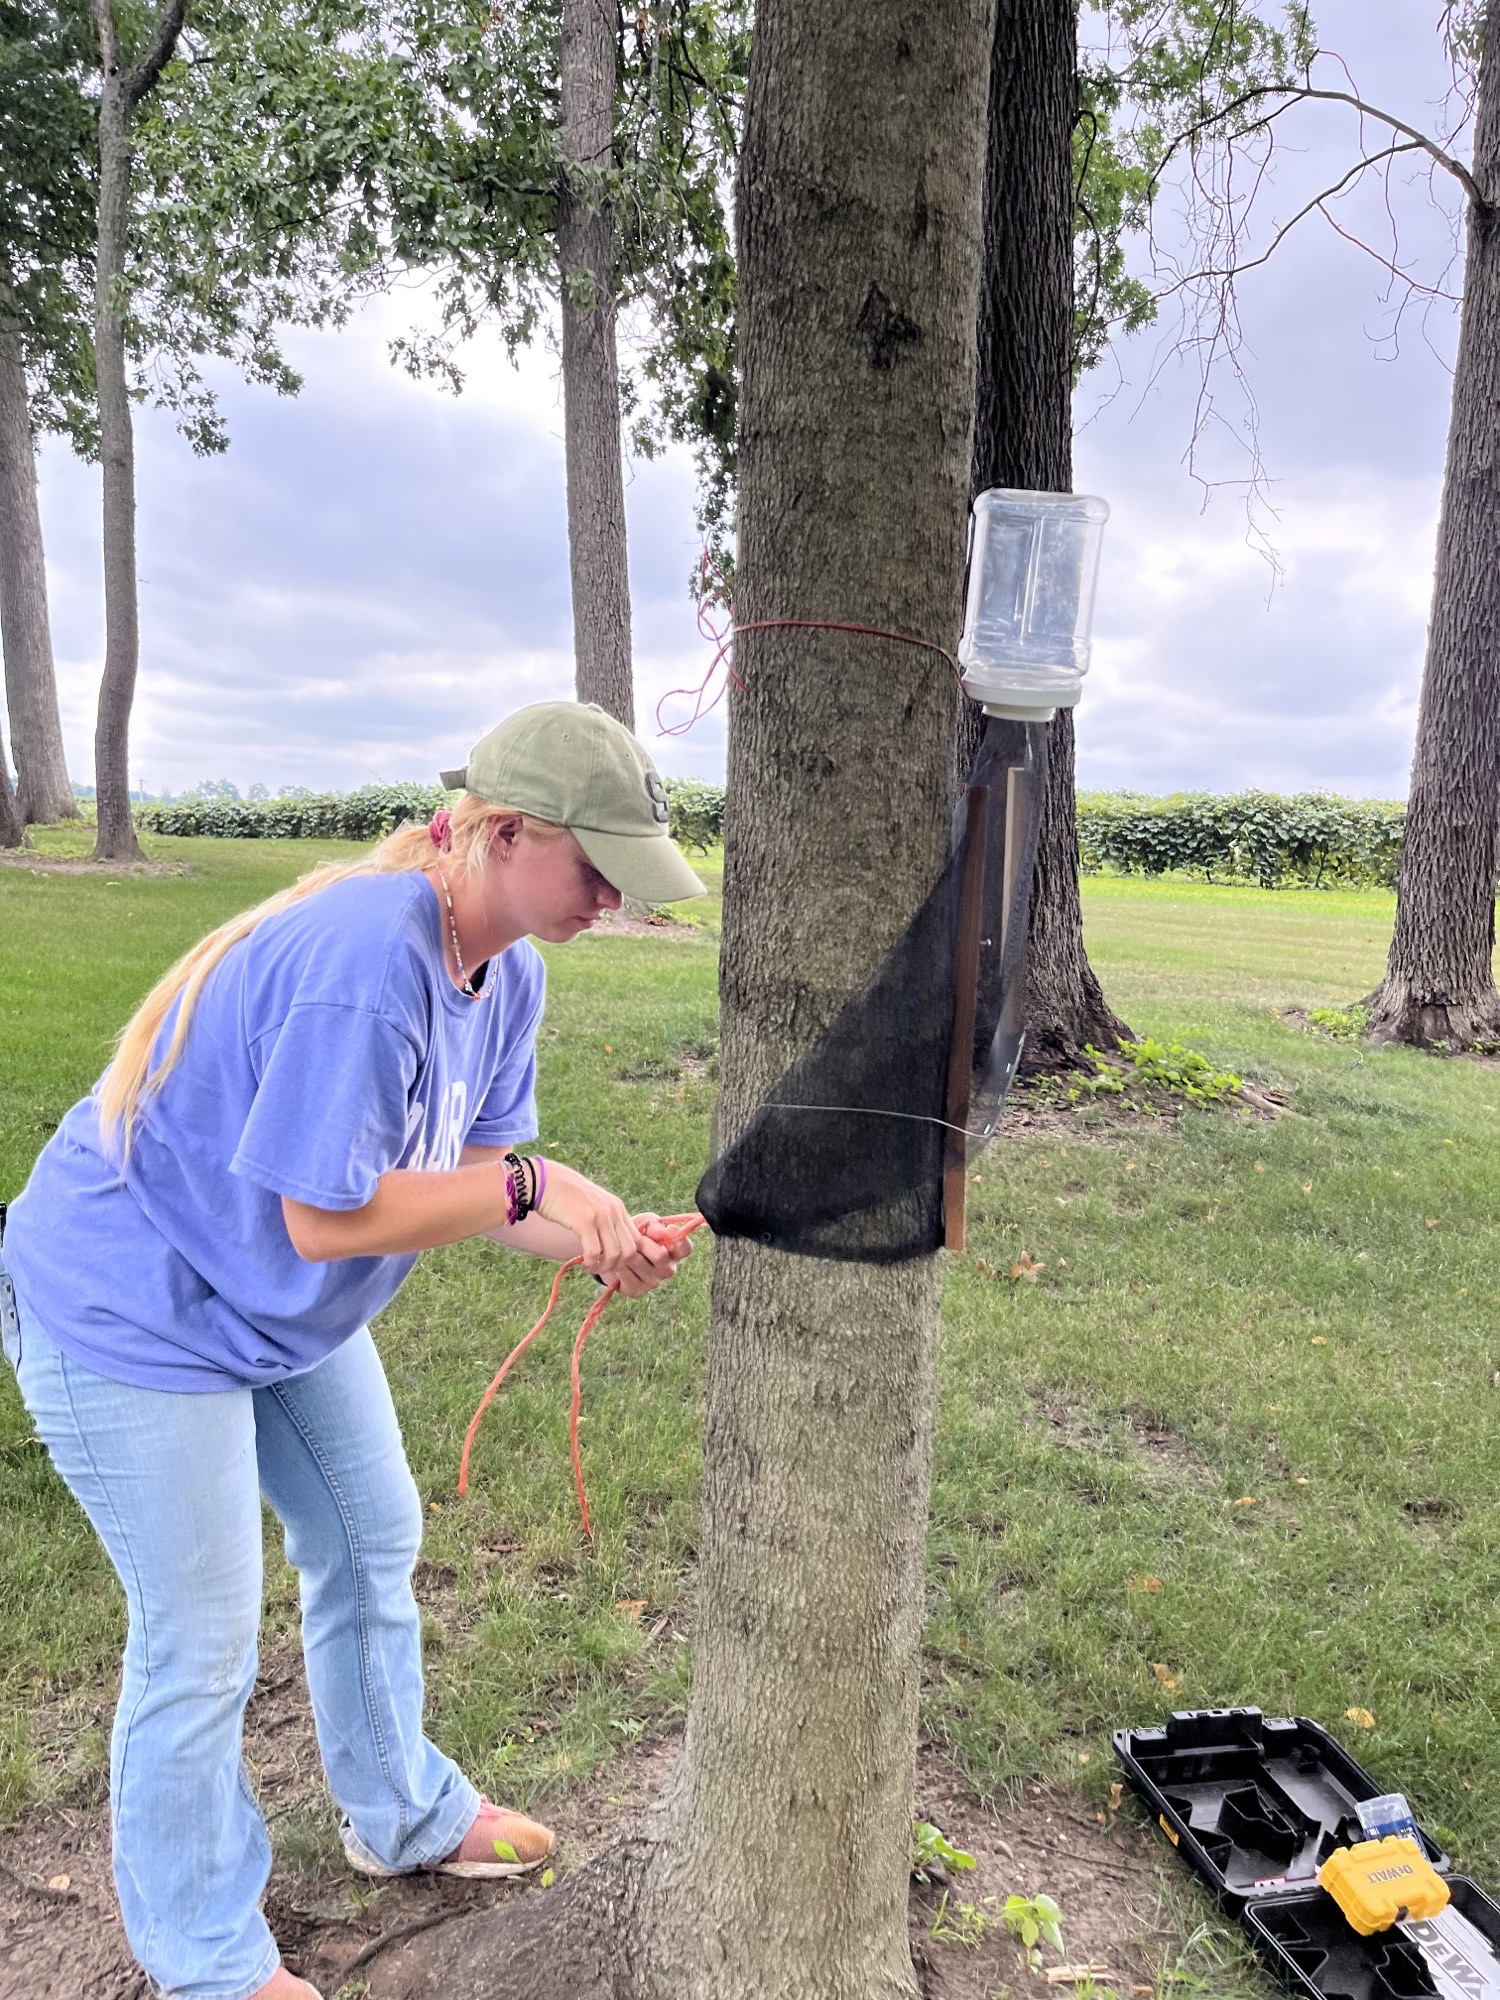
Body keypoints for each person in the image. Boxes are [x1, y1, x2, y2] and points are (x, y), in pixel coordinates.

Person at [0, 702, 705, 2000]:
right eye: (594, 867)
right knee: (200, 1633)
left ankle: (404, 1816)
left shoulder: (511, 973)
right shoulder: (367, 958)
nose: (612, 897)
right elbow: (328, 1218)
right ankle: (206, 1956)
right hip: (130, 1303)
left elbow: (488, 1172)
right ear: (498, 833)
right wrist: (529, 1197)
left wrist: (593, 1227)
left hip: (267, 1298)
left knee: (371, 1535)